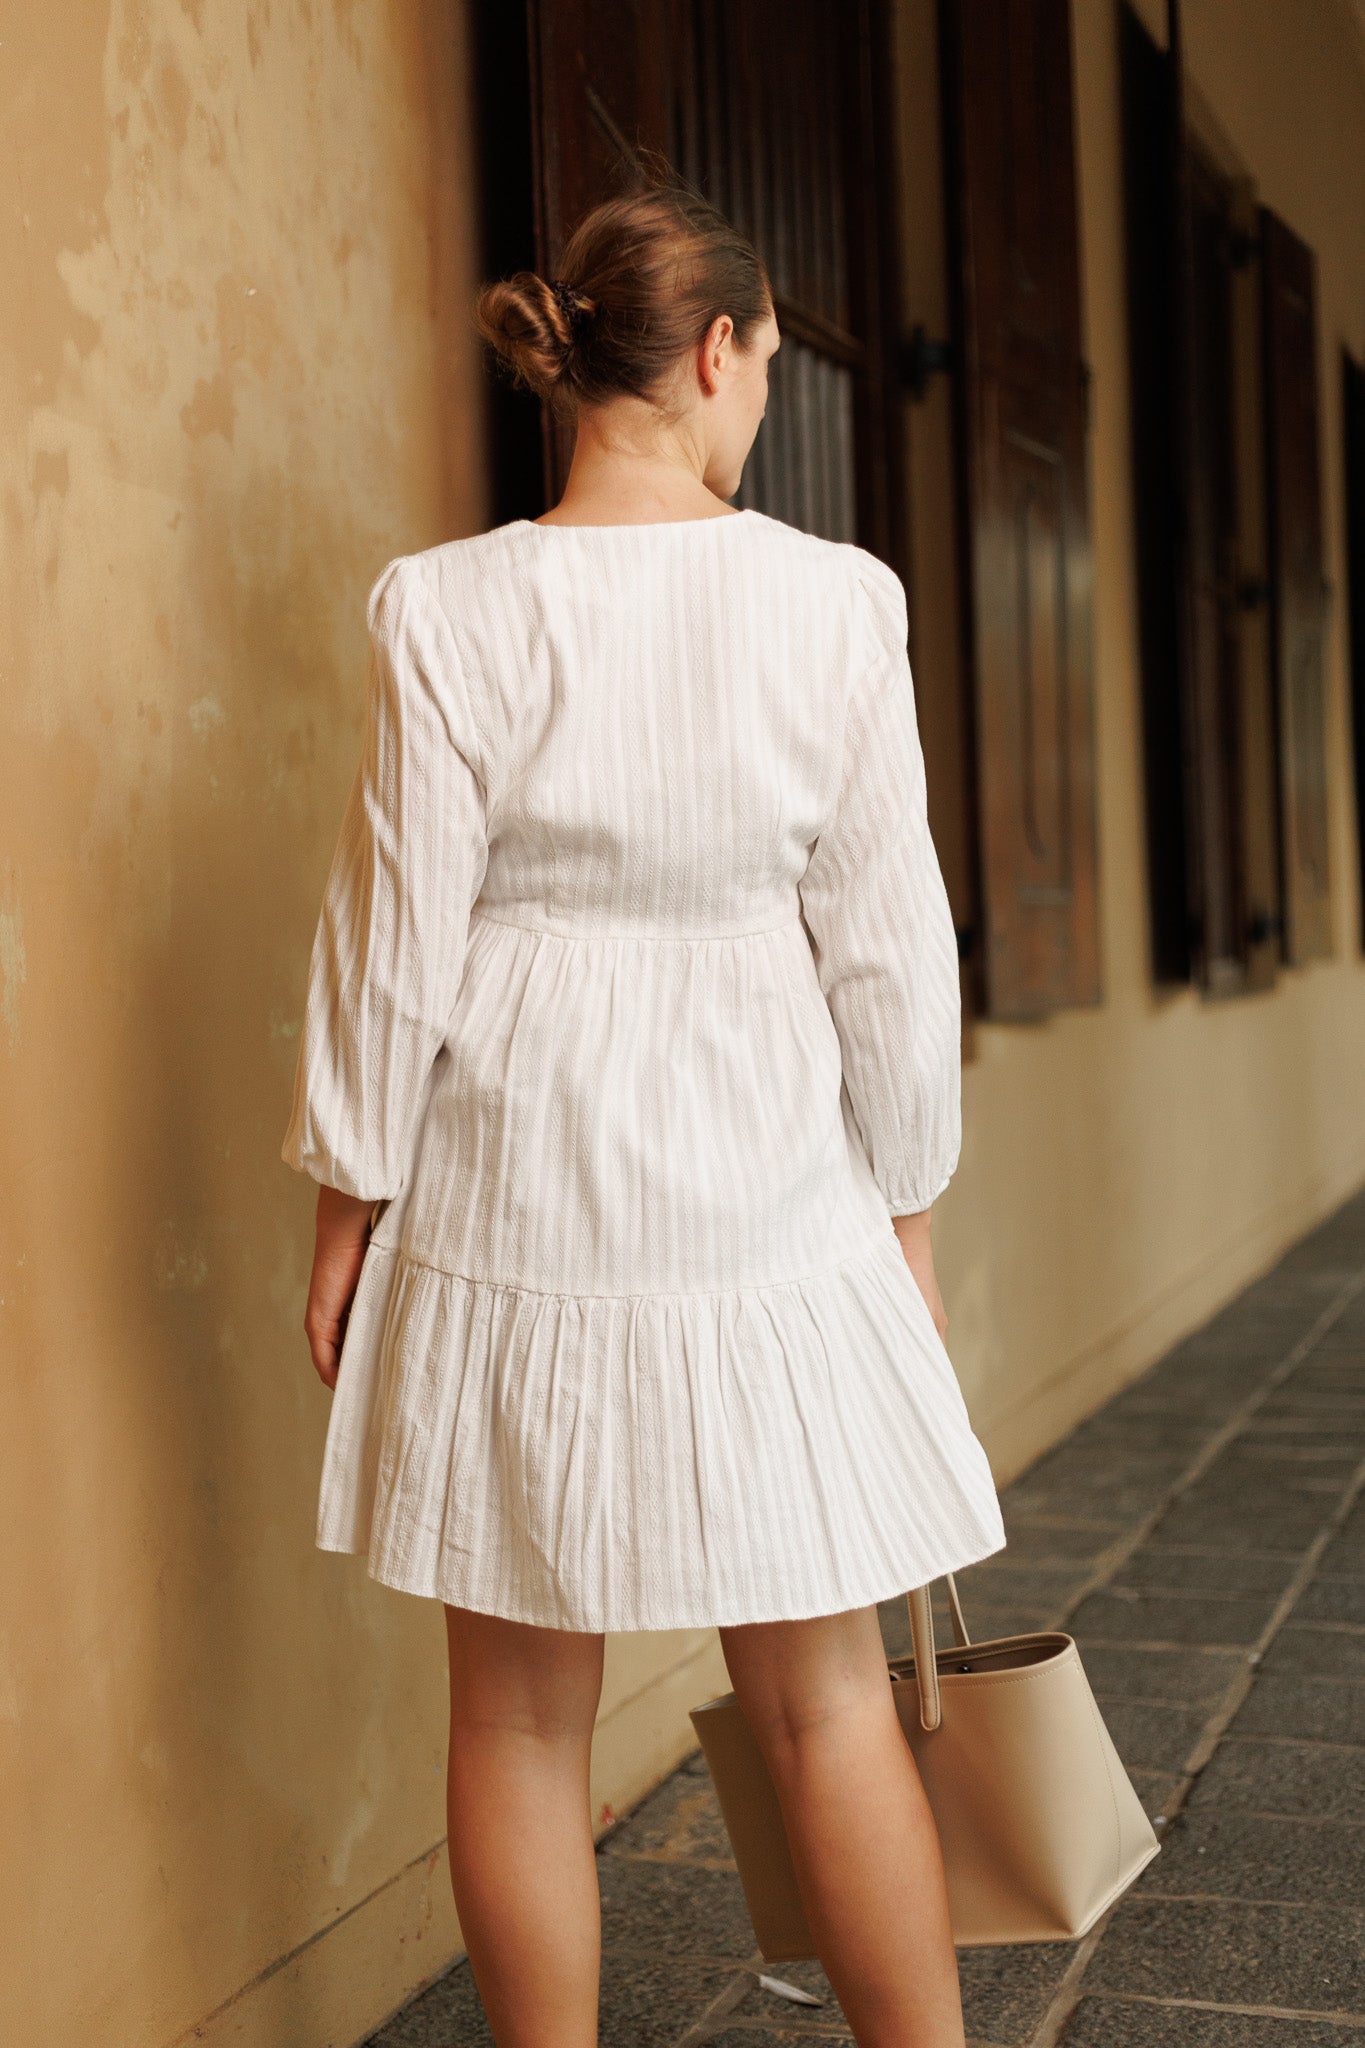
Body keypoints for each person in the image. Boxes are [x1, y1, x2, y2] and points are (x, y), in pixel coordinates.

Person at [281, 163, 1006, 2048]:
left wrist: (348, 1202)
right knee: (825, 1698)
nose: (753, 404)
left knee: (519, 1721)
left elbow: (393, 937)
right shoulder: (836, 604)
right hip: (768, 1165)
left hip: (513, 1163)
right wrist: (906, 1212)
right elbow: (887, 946)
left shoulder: (447, 607)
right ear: (714, 352)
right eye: (760, 371)